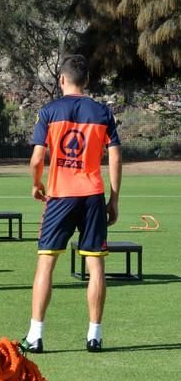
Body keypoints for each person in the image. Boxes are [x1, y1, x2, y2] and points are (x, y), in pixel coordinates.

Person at [20, 54, 122, 354]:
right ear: (87, 81)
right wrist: (114, 199)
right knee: (96, 265)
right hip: (92, 195)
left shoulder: (49, 111)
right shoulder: (102, 112)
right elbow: (114, 156)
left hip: (60, 196)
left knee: (46, 263)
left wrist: (37, 186)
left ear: (61, 79)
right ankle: (95, 336)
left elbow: (37, 159)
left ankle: (35, 336)